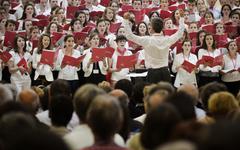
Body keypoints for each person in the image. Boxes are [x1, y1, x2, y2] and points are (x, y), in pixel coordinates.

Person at [123, 12, 185, 84]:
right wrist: (182, 19)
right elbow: (180, 33)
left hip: (153, 73)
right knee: (167, 94)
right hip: (165, 72)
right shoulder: (167, 40)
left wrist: (125, 20)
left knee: (153, 94)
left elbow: (129, 36)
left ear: (151, 28)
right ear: (162, 28)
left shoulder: (147, 40)